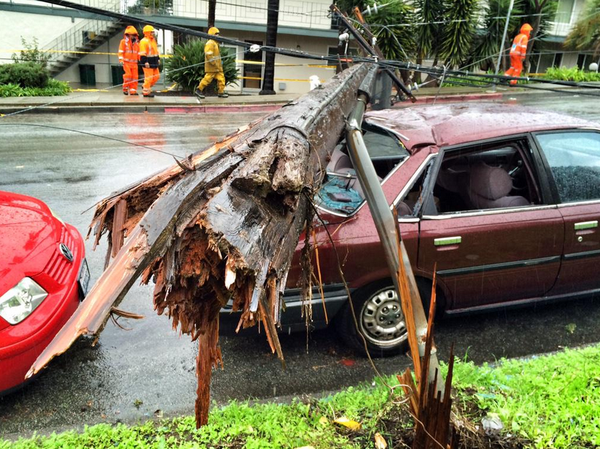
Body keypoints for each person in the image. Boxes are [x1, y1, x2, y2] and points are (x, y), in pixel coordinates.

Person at [195, 27, 228, 99]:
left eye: (218, 34)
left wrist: (218, 63)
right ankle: (199, 90)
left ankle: (221, 92)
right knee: (207, 79)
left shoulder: (215, 43)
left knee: (221, 79)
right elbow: (208, 54)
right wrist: (214, 63)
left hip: (217, 67)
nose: (218, 35)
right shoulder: (210, 43)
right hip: (212, 66)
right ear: (212, 34)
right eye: (216, 34)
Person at [139, 25, 160, 98]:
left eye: (153, 32)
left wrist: (158, 59)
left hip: (154, 61)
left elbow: (156, 51)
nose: (153, 33)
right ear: (147, 32)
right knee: (149, 78)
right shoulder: (143, 41)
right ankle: (146, 92)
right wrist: (145, 62)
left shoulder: (153, 40)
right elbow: (142, 53)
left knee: (156, 76)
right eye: (152, 32)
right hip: (147, 62)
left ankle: (145, 86)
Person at [118, 25, 140, 95]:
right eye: (132, 35)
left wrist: (141, 60)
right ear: (128, 35)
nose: (134, 36)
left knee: (135, 77)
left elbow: (138, 53)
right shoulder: (123, 42)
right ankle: (125, 88)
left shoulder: (136, 43)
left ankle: (133, 91)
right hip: (126, 63)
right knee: (128, 76)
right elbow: (121, 51)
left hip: (135, 63)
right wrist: (121, 60)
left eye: (135, 35)